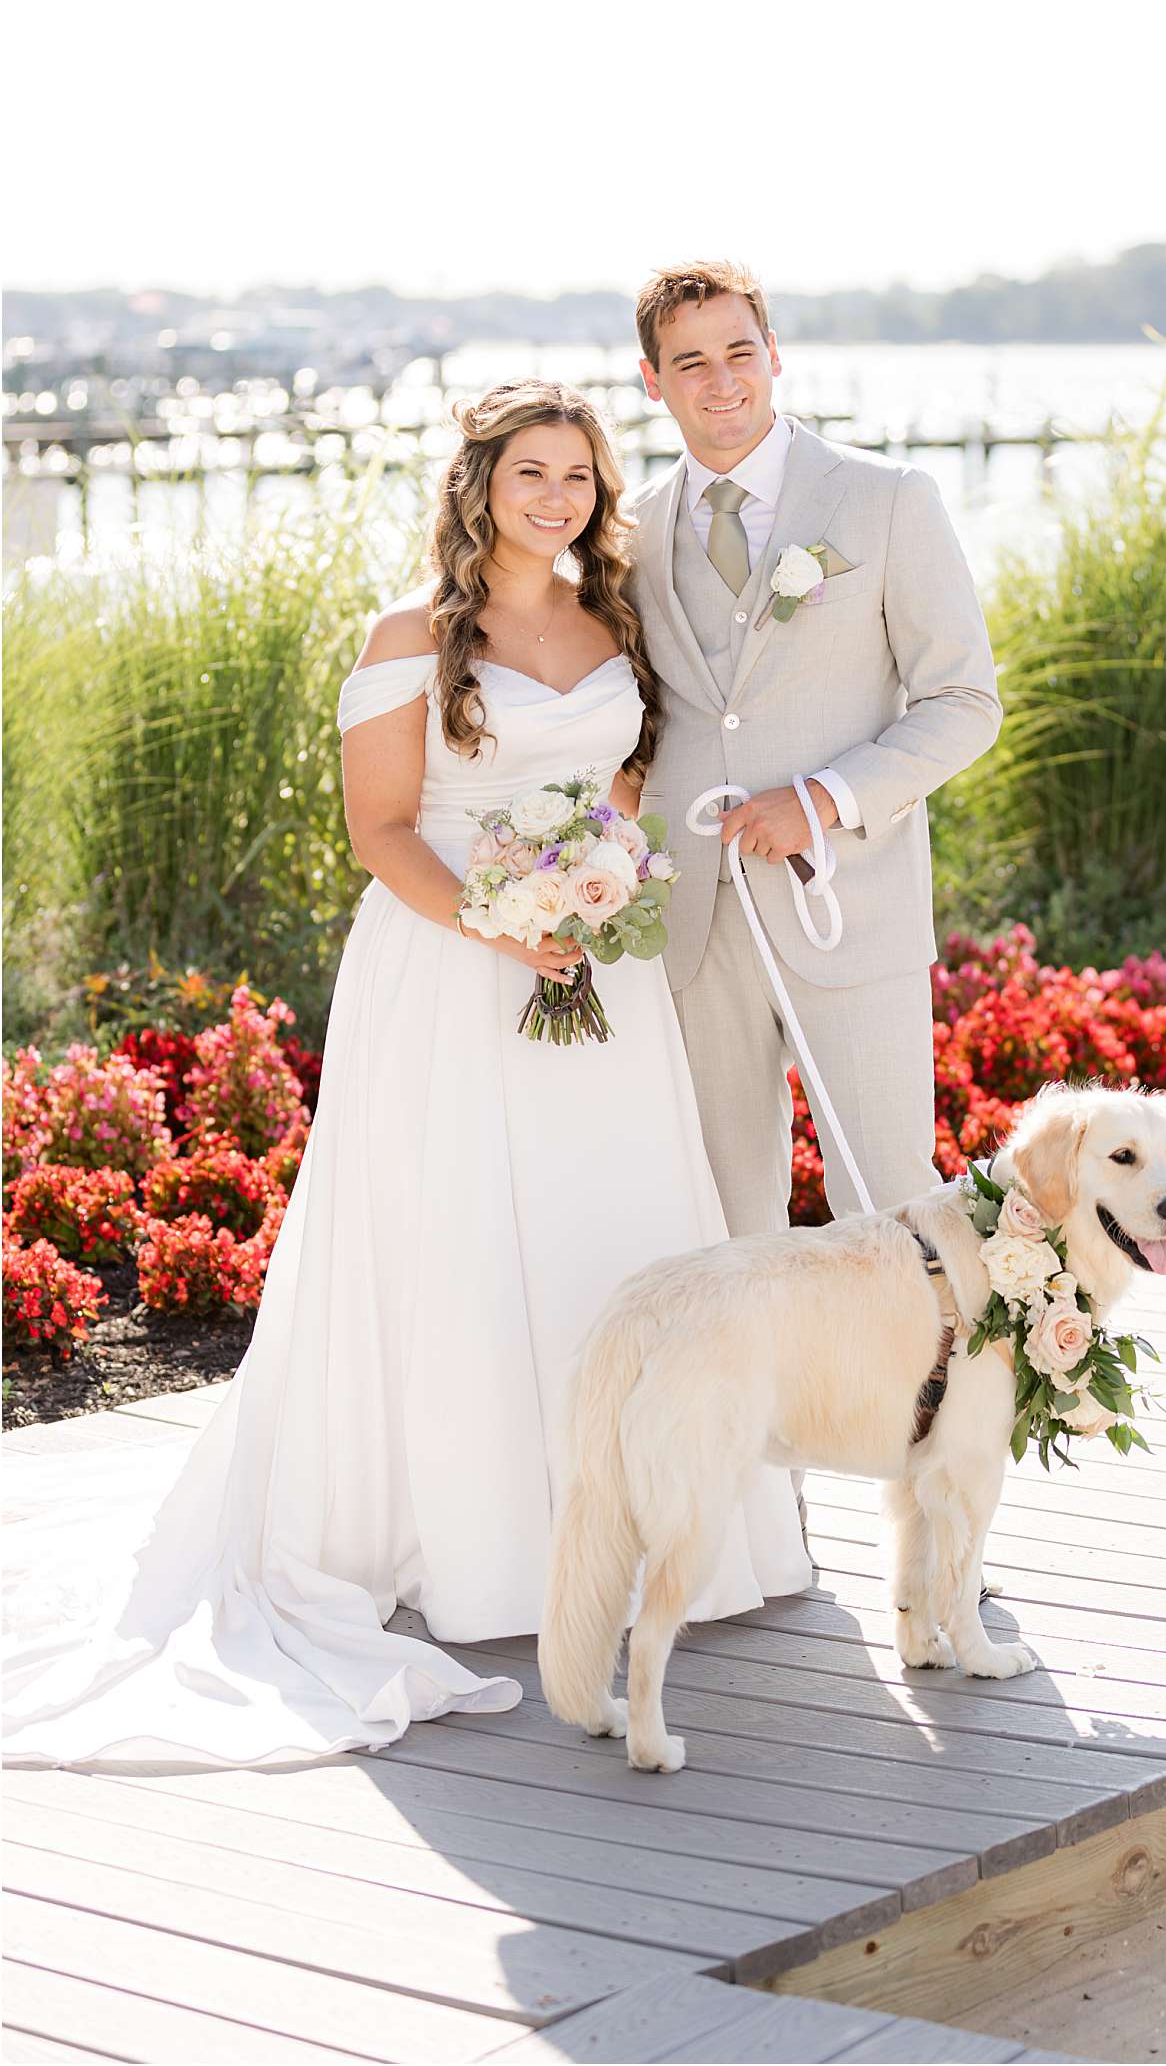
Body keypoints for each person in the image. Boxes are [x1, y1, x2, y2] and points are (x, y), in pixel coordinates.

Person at [3, 381, 809, 1770]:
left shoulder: (613, 624)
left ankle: (642, 1527)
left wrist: (593, 892)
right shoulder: (408, 639)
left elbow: (619, 788)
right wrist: (510, 921)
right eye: (529, 473)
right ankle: (485, 1543)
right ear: (480, 484)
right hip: (452, 967)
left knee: (611, 1237)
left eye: (577, 475)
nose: (554, 496)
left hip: (596, 968)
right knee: (459, 1242)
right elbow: (381, 829)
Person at [628, 260, 1003, 1238]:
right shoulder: (624, 532)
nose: (721, 381)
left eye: (738, 352)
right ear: (651, 379)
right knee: (718, 1215)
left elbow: (963, 700)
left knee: (889, 1198)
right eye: (690, 361)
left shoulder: (884, 499)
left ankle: (917, 1393)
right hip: (691, 927)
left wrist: (825, 799)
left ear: (773, 356)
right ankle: (751, 1396)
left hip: (847, 900)